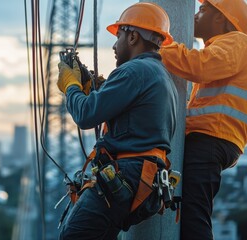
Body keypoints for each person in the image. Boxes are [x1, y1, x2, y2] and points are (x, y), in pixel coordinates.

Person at [56, 3, 178, 240]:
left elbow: (86, 114)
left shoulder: (134, 71)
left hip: (129, 174)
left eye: (119, 35)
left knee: (74, 235)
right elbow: (125, 110)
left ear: (133, 36)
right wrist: (92, 86)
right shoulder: (159, 75)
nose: (114, 44)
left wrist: (71, 86)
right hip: (145, 179)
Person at [159, 0, 247, 239]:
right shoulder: (226, 50)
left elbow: (199, 65)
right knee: (189, 213)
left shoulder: (237, 42)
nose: (195, 15)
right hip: (213, 139)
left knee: (194, 217)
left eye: (203, 10)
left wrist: (160, 46)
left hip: (211, 139)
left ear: (222, 19)